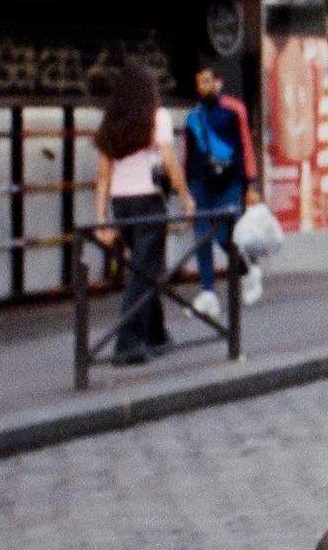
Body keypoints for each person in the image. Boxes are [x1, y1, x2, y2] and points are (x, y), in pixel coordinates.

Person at [91, 64, 192, 365]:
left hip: (121, 204)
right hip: (148, 201)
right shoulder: (156, 117)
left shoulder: (110, 121)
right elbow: (171, 161)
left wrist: (101, 218)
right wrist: (186, 197)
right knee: (144, 272)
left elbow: (102, 175)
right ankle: (127, 342)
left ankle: (156, 334)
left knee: (145, 269)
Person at [181, 65, 259, 313]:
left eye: (206, 81)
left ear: (218, 82)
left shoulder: (234, 109)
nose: (202, 86)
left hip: (229, 182)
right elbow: (188, 154)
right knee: (202, 235)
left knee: (226, 235)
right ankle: (207, 293)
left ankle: (249, 269)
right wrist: (185, 189)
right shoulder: (192, 117)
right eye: (198, 82)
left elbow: (246, 145)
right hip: (199, 183)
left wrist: (251, 183)